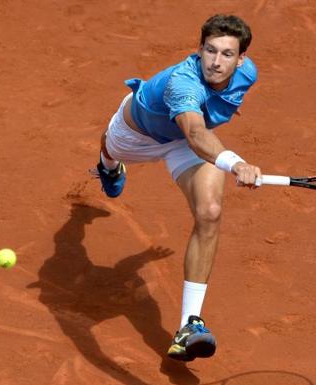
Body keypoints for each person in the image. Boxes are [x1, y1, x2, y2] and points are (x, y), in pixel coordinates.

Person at [91, 14, 261, 362]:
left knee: (210, 212)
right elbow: (197, 135)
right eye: (210, 51)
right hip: (137, 137)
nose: (216, 62)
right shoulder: (183, 82)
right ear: (199, 49)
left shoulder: (248, 74)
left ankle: (189, 325)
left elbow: (200, 131)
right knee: (109, 151)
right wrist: (235, 163)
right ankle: (108, 168)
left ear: (241, 58)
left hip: (184, 142)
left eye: (227, 54)